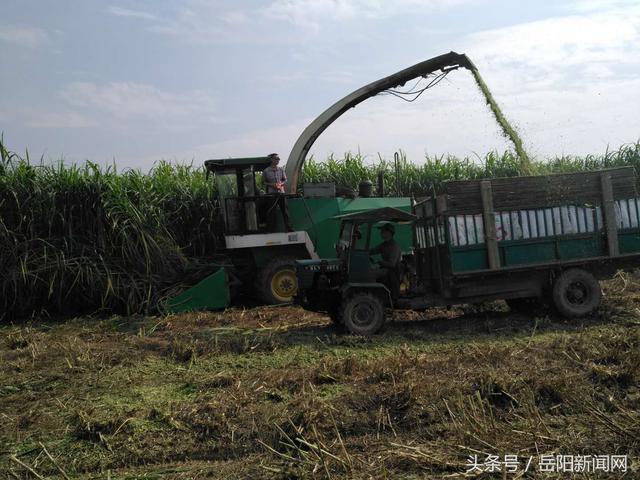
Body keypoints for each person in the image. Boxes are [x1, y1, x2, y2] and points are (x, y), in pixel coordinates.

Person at [370, 222, 402, 301]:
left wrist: (379, 261)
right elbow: (373, 251)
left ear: (389, 233)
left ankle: (373, 297)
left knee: (370, 274)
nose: (381, 233)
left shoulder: (394, 246)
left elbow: (392, 264)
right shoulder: (384, 244)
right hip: (385, 269)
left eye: (383, 231)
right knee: (369, 271)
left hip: (392, 272)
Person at [262, 153, 293, 232]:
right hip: (272, 194)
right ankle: (271, 229)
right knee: (271, 212)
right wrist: (272, 185)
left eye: (278, 159)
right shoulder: (266, 171)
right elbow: (264, 182)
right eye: (276, 159)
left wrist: (281, 184)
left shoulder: (281, 169)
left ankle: (288, 228)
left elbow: (285, 180)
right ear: (272, 160)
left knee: (285, 211)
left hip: (281, 193)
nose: (278, 160)